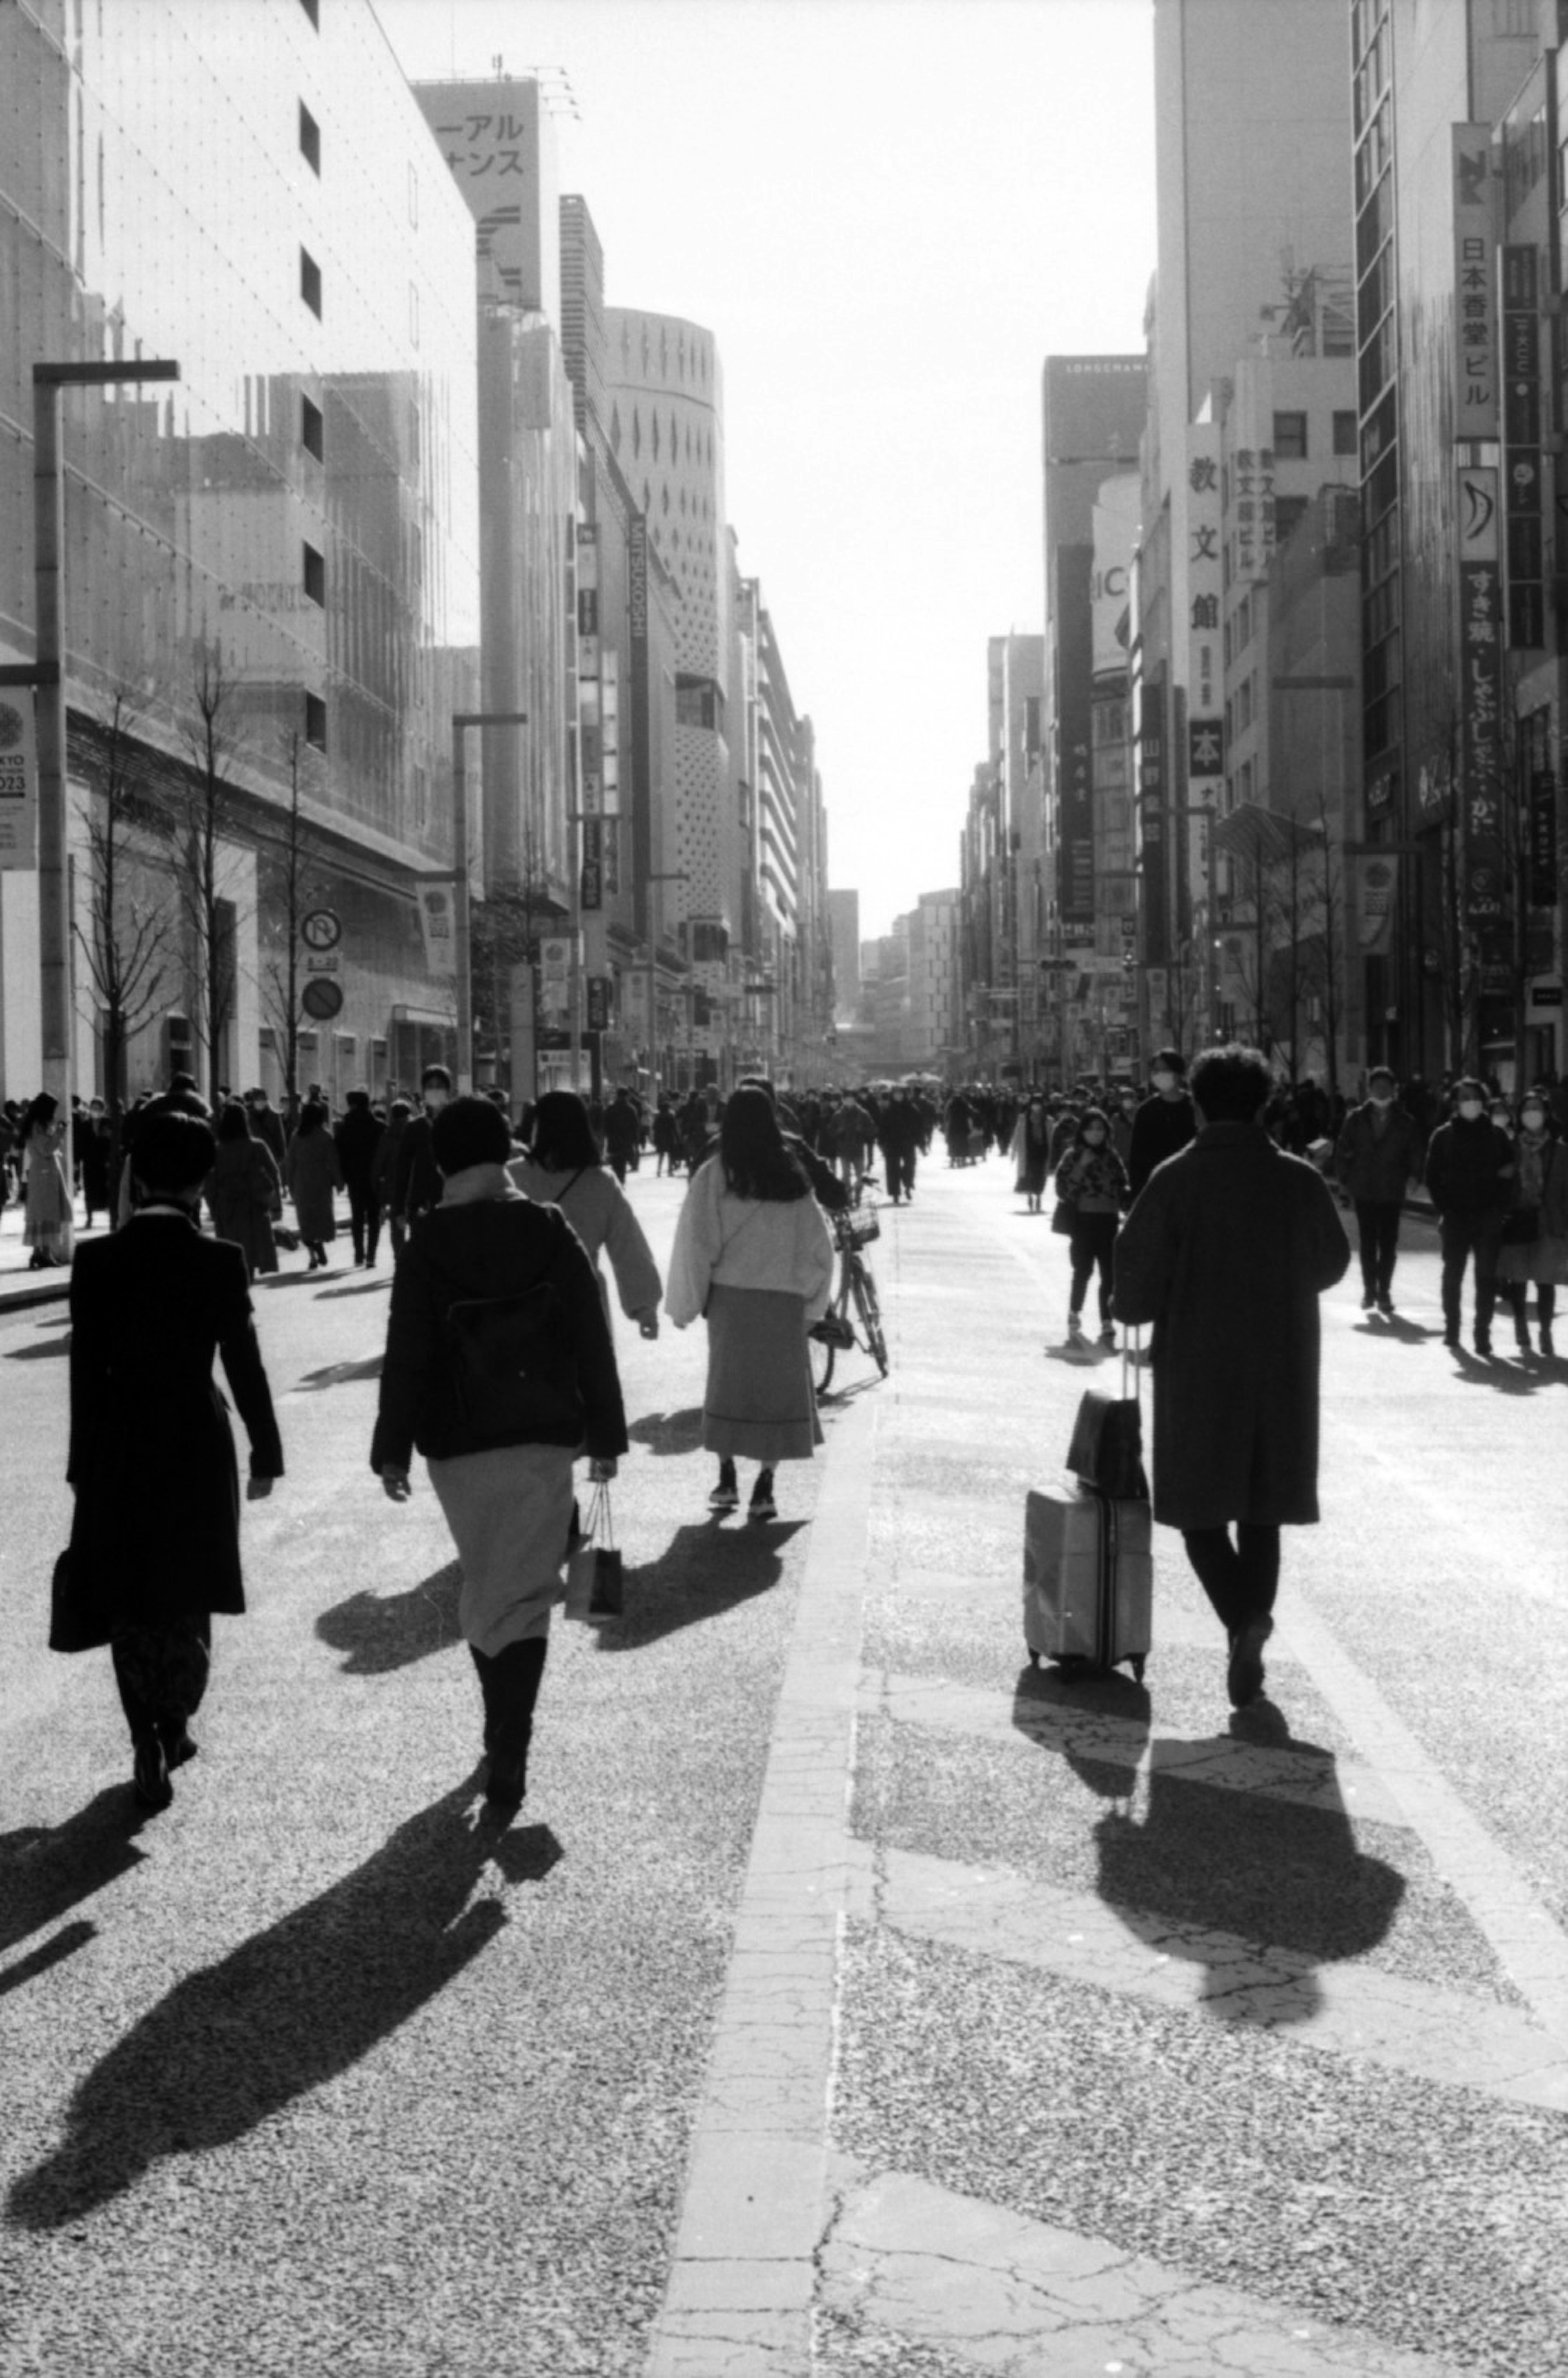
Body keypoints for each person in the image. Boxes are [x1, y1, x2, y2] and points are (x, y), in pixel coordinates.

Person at [372, 1095, 626, 1818]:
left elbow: (408, 1353)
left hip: (456, 1446)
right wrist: (605, 1437)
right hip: (544, 1435)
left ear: (445, 1164)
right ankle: (511, 1735)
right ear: (507, 1152)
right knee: (525, 1594)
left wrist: (392, 1449)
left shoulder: (427, 1242)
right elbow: (590, 1337)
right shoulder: (548, 1227)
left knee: (491, 1583)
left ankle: (501, 1729)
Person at [56, 1107, 283, 1811]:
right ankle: (176, 1723)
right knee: (189, 1584)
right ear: (202, 1179)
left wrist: (80, 1462)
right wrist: (266, 1452)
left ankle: (142, 1735)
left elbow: (84, 1369)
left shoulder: (97, 1260)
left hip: (119, 1438)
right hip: (195, 1434)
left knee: (129, 1593)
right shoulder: (220, 1260)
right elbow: (244, 1365)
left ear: (136, 1173)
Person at [1113, 1043, 1350, 1710]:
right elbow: (1332, 1260)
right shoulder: (1298, 1178)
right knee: (1263, 1508)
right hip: (1282, 1361)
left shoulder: (1175, 1178)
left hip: (1197, 1364)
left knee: (1198, 1511)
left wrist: (1142, 1305)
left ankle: (1242, 1620)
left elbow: (1134, 1279)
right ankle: (1252, 1624)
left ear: (1196, 1102)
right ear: (1266, 1103)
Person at [665, 1082, 834, 1523]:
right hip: (783, 1303)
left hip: (731, 1301)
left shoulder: (716, 1174)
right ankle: (766, 1486)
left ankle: (726, 1478)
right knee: (777, 1394)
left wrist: (685, 1303)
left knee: (728, 1386)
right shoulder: (793, 1176)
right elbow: (820, 1248)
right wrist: (813, 1306)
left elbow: (696, 1244)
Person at [510, 1090, 662, 1339]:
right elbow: (629, 1247)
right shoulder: (602, 1182)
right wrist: (645, 1308)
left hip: (523, 1298)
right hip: (584, 1295)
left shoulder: (512, 1177)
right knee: (590, 1371)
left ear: (538, 1127)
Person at [1423, 1079, 1515, 1355]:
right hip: (1456, 1217)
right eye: (1465, 1097)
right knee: (1453, 1275)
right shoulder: (1443, 1136)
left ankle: (1482, 1333)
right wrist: (1445, 1208)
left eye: (1476, 1096)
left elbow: (1509, 1174)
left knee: (1486, 1277)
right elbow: (1432, 1176)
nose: (1471, 1102)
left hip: (1488, 1215)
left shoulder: (1497, 1136)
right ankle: (1452, 1328)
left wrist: (1500, 1207)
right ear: (1455, 1103)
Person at [1334, 1066, 1423, 1314]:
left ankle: (1384, 1291)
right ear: (1369, 1090)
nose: (1381, 1091)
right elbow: (1343, 1150)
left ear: (1394, 1091)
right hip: (1365, 1189)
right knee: (1367, 1244)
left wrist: (1415, 1176)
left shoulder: (1406, 1122)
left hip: (1392, 1190)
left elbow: (1415, 1152)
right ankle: (1368, 1290)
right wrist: (1344, 1181)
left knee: (1388, 1244)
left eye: (1386, 1087)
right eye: (1377, 1087)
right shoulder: (1356, 1119)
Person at [1495, 1093, 1568, 1357]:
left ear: (1547, 1114)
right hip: (1517, 1219)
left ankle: (1546, 1331)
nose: (1532, 1114)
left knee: (1545, 1280)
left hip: (1548, 1221)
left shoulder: (1561, 1151)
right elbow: (1500, 1184)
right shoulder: (1510, 1147)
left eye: (1537, 1109)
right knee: (1519, 1278)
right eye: (1527, 1109)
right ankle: (1521, 1325)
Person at [1053, 1106, 1130, 1343]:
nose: (1096, 1134)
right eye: (1091, 1129)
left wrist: (1127, 1199)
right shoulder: (1073, 1156)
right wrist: (1081, 1166)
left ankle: (1107, 1320)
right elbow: (1063, 1191)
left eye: (1100, 1129)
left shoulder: (1112, 1157)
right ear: (1082, 1132)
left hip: (1108, 1222)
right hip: (1083, 1223)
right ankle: (1074, 1312)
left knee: (1109, 1274)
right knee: (1083, 1271)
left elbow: (1123, 1186)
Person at [204, 1099, 282, 1282]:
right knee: (252, 1251)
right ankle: (248, 1285)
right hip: (254, 1205)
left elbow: (210, 1184)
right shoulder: (257, 1146)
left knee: (231, 1253)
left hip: (228, 1207)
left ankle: (239, 1289)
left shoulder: (217, 1151)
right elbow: (274, 1172)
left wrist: (214, 1209)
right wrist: (272, 1202)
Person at [1127, 1048, 1197, 1200]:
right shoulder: (1146, 1111)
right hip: (1157, 1192)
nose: (1160, 1075)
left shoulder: (1196, 1108)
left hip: (1191, 1189)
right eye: (1156, 1071)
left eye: (1165, 1070)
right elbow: (1137, 1160)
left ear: (1179, 1074)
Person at [390, 1065, 452, 1232]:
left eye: (439, 1086)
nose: (435, 1091)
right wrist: (399, 1209)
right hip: (421, 1203)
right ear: (424, 1091)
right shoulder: (415, 1127)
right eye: (430, 1087)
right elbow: (403, 1169)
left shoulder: (457, 1124)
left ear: (448, 1090)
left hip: (453, 1202)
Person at [285, 1097, 343, 1270]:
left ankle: (312, 1256)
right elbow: (333, 1162)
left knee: (305, 1221)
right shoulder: (325, 1137)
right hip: (321, 1183)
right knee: (321, 1218)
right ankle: (320, 1245)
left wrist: (289, 1185)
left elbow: (290, 1163)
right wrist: (339, 1182)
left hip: (301, 1182)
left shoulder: (296, 1136)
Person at [20, 1092, 74, 1270]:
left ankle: (45, 1252)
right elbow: (45, 1149)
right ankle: (39, 1252)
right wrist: (59, 1134)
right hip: (43, 1173)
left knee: (48, 1211)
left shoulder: (39, 1125)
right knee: (43, 1211)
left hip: (48, 1173)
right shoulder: (37, 1126)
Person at [334, 1088, 385, 1268]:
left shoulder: (344, 1127)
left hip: (354, 1178)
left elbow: (339, 1154)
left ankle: (359, 1254)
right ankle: (371, 1255)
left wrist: (342, 1177)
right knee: (373, 1217)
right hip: (375, 1178)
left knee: (357, 1216)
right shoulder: (379, 1126)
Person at [372, 1098, 413, 1260]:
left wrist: (376, 1187)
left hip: (394, 1188)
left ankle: (400, 1258)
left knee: (397, 1227)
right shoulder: (416, 1132)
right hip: (415, 1185)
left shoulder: (388, 1137)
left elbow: (378, 1165)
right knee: (416, 1224)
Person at [876, 1084, 923, 1205]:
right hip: (892, 1144)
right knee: (892, 1169)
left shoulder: (912, 1110)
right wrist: (881, 1142)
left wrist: (921, 1142)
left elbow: (919, 1127)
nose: (899, 1096)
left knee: (910, 1165)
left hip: (908, 1142)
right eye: (896, 1094)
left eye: (901, 1094)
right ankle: (895, 1193)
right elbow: (882, 1128)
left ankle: (908, 1185)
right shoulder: (888, 1111)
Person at [1011, 1094, 1052, 1213]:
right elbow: (1017, 1134)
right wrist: (1014, 1149)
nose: (1036, 1107)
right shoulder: (1023, 1119)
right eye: (1034, 1104)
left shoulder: (1048, 1120)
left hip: (1042, 1152)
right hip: (1029, 1151)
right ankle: (1030, 1196)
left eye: (1038, 1104)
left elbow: (1052, 1138)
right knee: (1029, 1175)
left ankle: (1039, 1196)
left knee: (1040, 1176)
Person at [601, 1087, 642, 1185]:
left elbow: (605, 1126)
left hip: (613, 1143)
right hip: (626, 1144)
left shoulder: (610, 1109)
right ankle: (621, 1184)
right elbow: (635, 1127)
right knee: (622, 1167)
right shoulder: (631, 1109)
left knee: (615, 1167)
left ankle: (618, 1184)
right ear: (627, 1096)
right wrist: (636, 1143)